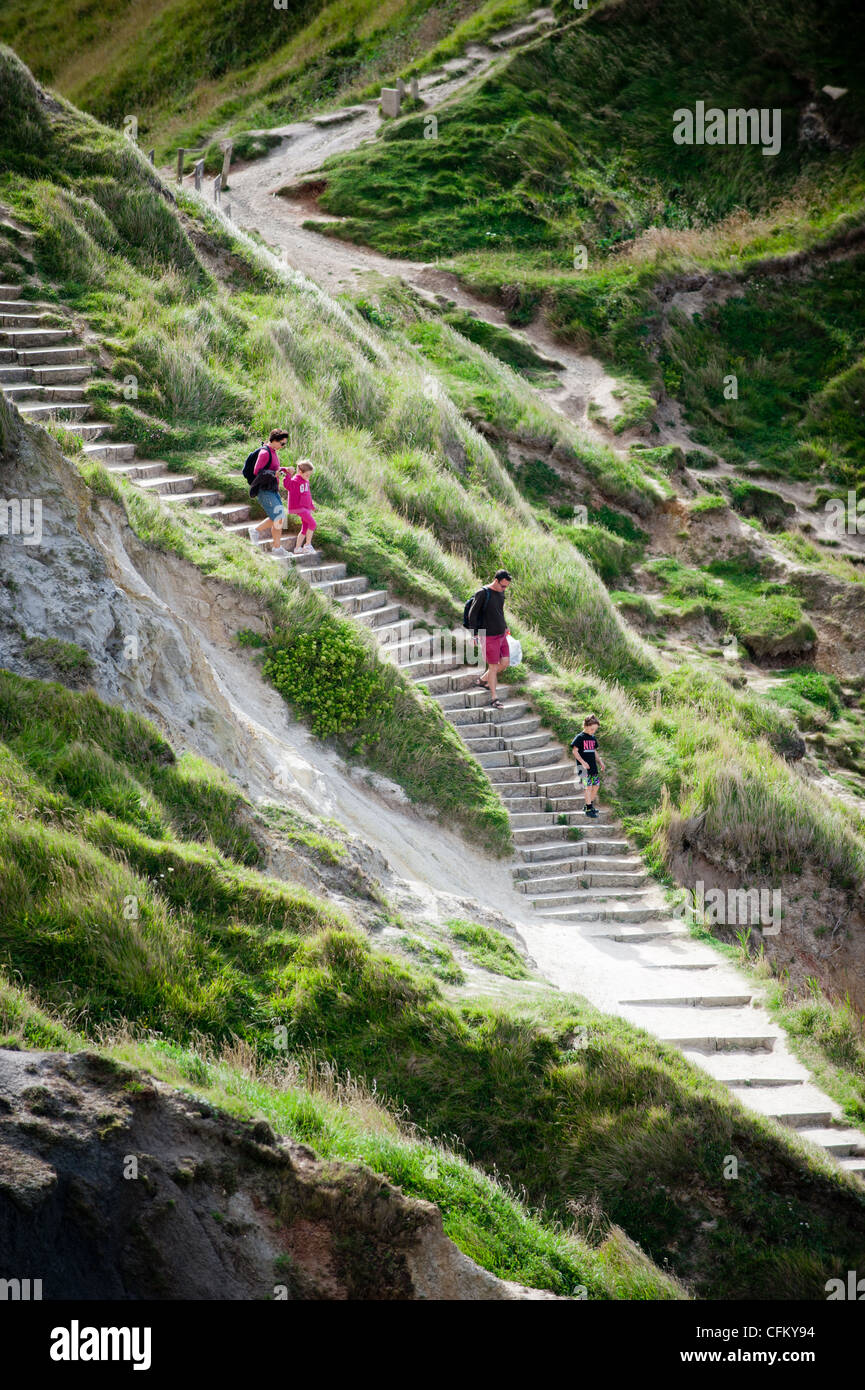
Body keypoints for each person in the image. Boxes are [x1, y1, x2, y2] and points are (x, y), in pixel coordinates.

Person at [467, 570, 512, 710]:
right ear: (496, 580)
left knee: (505, 663)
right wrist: (474, 634)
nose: (504, 589)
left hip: (501, 634)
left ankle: (482, 680)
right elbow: (472, 615)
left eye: (506, 587)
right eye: (502, 586)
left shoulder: (501, 593)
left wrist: (505, 627)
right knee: (493, 667)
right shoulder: (483, 593)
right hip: (488, 636)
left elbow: (500, 611)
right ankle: (494, 698)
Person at [248, 430, 290, 553]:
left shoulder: (273, 451)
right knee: (279, 517)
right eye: (282, 444)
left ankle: (277, 548)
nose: (283, 447)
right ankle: (255, 530)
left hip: (272, 488)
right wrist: (274, 473)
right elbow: (257, 471)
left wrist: (284, 469)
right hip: (264, 489)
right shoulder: (265, 453)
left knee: (280, 518)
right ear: (274, 441)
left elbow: (273, 468)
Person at [571, 715, 605, 818]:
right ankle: (589, 809)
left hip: (593, 767)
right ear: (585, 726)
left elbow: (594, 751)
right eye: (591, 729)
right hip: (583, 769)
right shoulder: (579, 737)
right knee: (588, 787)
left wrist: (600, 762)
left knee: (596, 786)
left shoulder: (593, 738)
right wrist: (582, 762)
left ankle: (588, 805)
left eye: (595, 729)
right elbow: (575, 751)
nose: (593, 731)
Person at [285, 458, 317, 556]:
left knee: (305, 527)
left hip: (305, 507)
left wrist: (311, 505)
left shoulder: (305, 480)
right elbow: (287, 485)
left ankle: (297, 548)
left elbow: (307, 494)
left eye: (310, 475)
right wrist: (288, 475)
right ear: (300, 472)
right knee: (313, 524)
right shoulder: (296, 480)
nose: (308, 477)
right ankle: (307, 545)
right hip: (298, 507)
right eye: (307, 475)